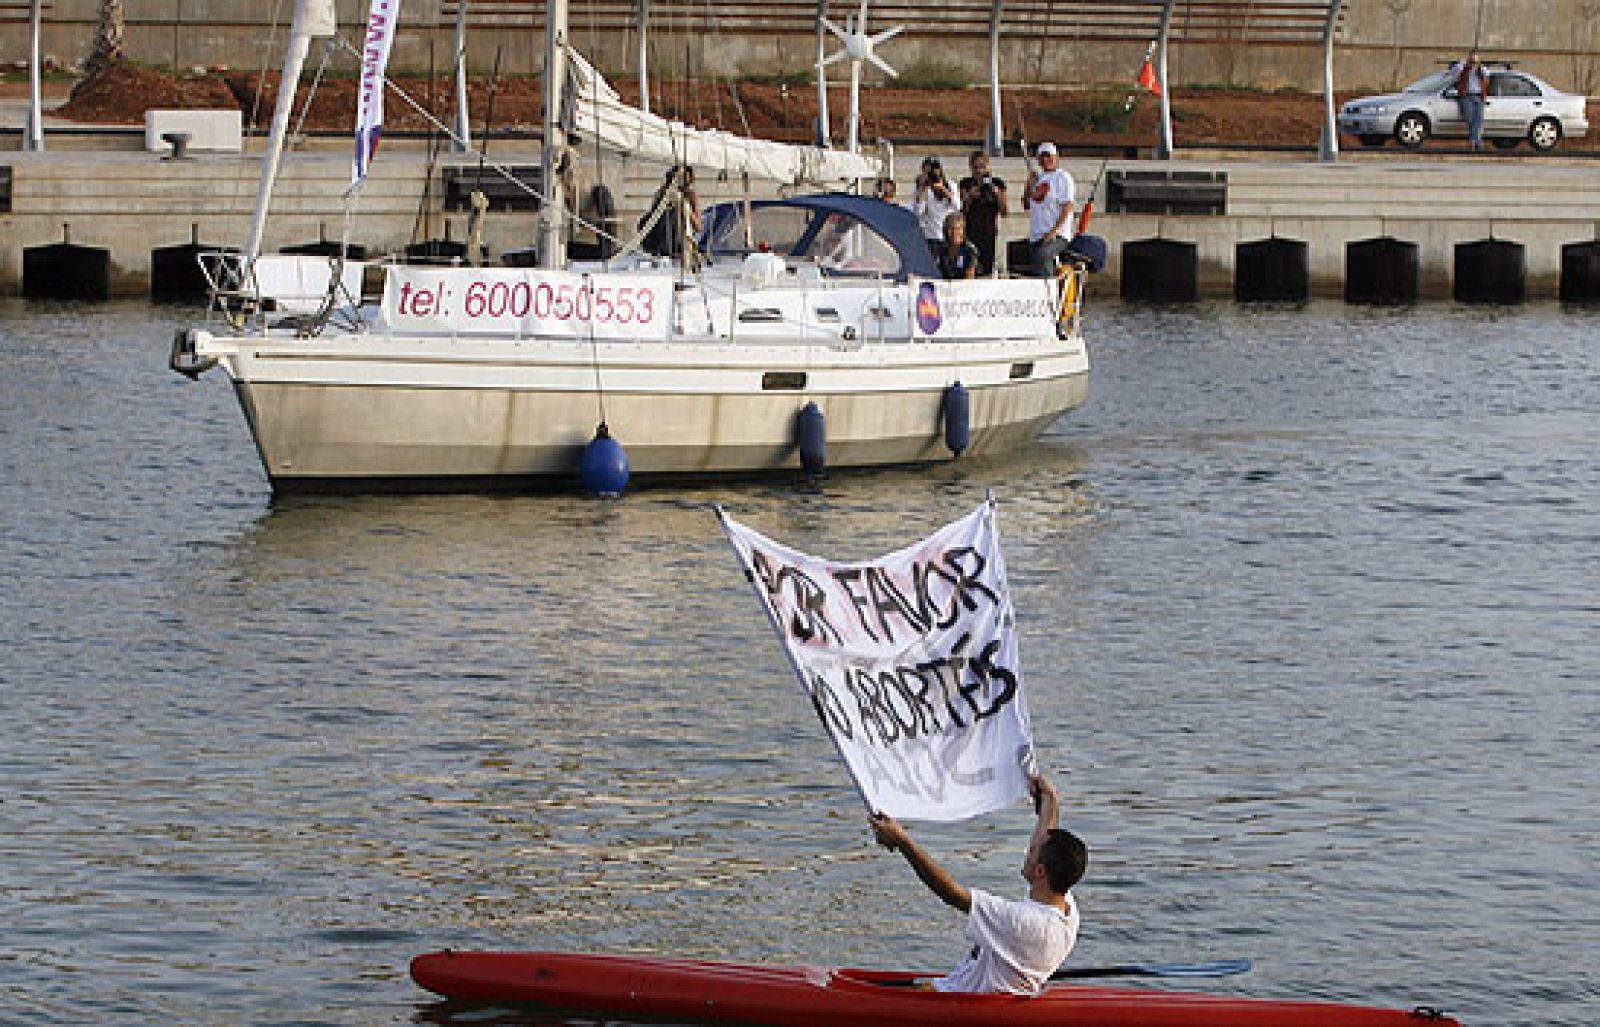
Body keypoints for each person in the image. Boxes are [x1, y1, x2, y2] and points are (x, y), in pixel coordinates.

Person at [869, 774, 1087, 996]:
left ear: (1041, 871)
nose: (1027, 851)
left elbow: (951, 894)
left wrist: (903, 841)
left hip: (956, 1000)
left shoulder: (1022, 922)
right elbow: (1045, 842)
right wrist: (1050, 800)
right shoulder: (1066, 908)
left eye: (1031, 852)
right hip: (964, 985)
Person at [1023, 142, 1075, 277]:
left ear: (1056, 157)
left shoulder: (1062, 177)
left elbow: (1067, 206)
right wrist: (1029, 185)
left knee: (1043, 255)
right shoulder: (1038, 179)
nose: (1046, 159)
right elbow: (1026, 205)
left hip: (1058, 234)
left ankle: (1049, 292)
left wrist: (1054, 231)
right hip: (1037, 235)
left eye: (1049, 156)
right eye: (1042, 156)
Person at [958, 150, 1008, 276]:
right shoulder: (966, 183)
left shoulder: (997, 183)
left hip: (989, 231)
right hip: (971, 230)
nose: (979, 171)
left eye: (982, 167)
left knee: (987, 267)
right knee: (969, 264)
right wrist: (970, 196)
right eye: (976, 168)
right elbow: (962, 210)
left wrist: (997, 194)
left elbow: (1004, 211)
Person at [640, 165, 702, 258]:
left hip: (679, 244)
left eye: (684, 179)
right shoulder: (662, 193)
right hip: (658, 242)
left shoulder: (690, 196)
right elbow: (650, 219)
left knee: (675, 216)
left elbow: (699, 227)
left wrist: (685, 208)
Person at [914, 156, 961, 262]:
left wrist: (944, 191)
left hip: (948, 236)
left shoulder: (951, 185)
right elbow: (918, 212)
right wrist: (922, 190)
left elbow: (957, 207)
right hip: (930, 235)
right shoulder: (921, 189)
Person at [1453, 50, 1489, 151]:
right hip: (1467, 96)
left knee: (1478, 118)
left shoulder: (1481, 69)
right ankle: (1477, 140)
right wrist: (1465, 64)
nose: (1473, 62)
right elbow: (1455, 71)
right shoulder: (1463, 68)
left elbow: (1487, 75)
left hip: (1479, 96)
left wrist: (1479, 67)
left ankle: (1474, 141)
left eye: (1475, 59)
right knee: (1469, 118)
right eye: (1472, 59)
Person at [939, 212, 979, 280]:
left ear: (963, 230)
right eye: (951, 229)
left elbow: (969, 277)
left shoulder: (970, 250)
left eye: (958, 229)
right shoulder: (941, 249)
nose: (955, 232)